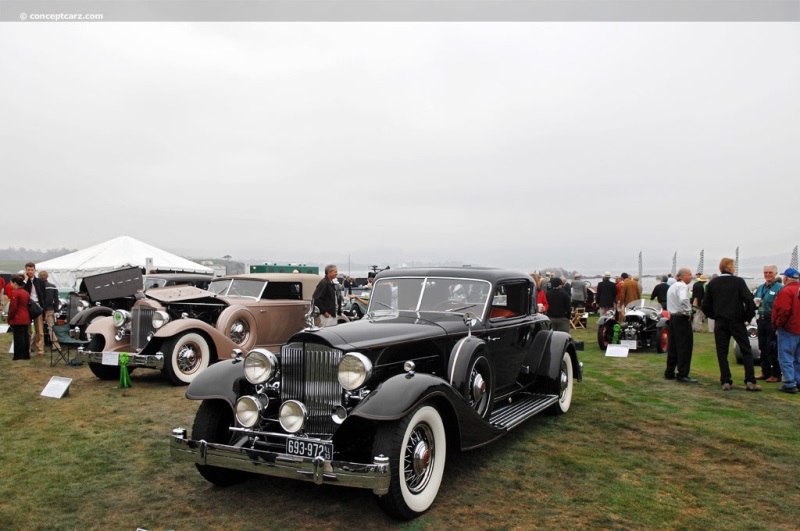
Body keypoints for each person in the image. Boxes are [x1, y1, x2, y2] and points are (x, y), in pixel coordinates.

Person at [702, 257, 761, 392]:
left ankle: (726, 380)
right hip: (737, 320)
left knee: (722, 351)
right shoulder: (738, 282)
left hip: (720, 321)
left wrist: (714, 315)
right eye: (733, 266)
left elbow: (705, 305)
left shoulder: (712, 283)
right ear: (729, 268)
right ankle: (750, 380)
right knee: (746, 350)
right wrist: (747, 317)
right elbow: (749, 301)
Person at [771, 268, 800, 394]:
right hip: (798, 328)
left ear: (786, 278)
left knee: (786, 356)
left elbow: (783, 310)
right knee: (798, 357)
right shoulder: (797, 290)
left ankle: (789, 382)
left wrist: (778, 324)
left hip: (788, 328)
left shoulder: (786, 291)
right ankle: (797, 380)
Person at [753, 265, 783, 382]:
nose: (768, 274)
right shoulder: (760, 288)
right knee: (762, 346)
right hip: (761, 318)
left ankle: (776, 374)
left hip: (772, 319)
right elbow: (755, 301)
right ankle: (765, 372)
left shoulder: (779, 288)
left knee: (772, 347)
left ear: (775, 273)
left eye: (770, 272)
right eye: (766, 272)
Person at [665, 268, 696, 382]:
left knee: (673, 345)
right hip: (681, 317)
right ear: (682, 276)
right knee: (685, 346)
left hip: (673, 317)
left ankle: (670, 371)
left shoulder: (672, 286)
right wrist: (689, 311)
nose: (691, 276)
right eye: (689, 274)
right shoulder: (682, 286)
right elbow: (683, 299)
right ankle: (682, 373)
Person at [23, 262, 46, 356]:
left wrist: (44, 309)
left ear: (35, 270)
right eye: (28, 270)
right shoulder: (24, 281)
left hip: (37, 306)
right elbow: (22, 291)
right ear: (26, 270)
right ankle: (27, 348)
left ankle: (40, 349)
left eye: (32, 270)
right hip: (27, 306)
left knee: (39, 330)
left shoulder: (40, 282)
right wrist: (25, 279)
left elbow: (43, 295)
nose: (30, 272)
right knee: (27, 329)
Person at [7, 275, 32, 360]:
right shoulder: (25, 292)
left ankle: (18, 355)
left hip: (18, 318)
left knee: (18, 337)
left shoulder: (16, 293)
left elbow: (13, 307)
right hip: (26, 317)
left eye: (11, 283)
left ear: (15, 283)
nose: (10, 285)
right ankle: (26, 354)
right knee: (25, 337)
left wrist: (10, 317)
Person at [39, 270, 62, 350]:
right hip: (50, 309)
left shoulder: (38, 286)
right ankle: (56, 345)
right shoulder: (53, 286)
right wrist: (56, 310)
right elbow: (56, 300)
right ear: (47, 276)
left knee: (38, 328)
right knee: (51, 328)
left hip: (40, 310)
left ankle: (31, 345)